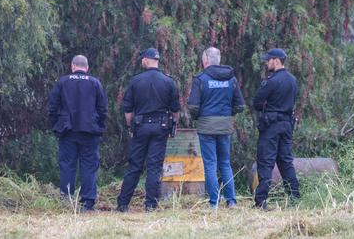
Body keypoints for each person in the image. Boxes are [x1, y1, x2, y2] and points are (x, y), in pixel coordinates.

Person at [116, 48, 180, 212]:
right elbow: (175, 109)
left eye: (142, 59)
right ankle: (150, 205)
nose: (141, 61)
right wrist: (173, 126)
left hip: (141, 127)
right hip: (161, 128)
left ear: (147, 59)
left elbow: (128, 109)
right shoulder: (168, 81)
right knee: (154, 167)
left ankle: (123, 204)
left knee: (135, 166)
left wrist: (130, 127)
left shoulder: (136, 81)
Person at [48, 55, 108, 212]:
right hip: (90, 131)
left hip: (67, 130)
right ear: (87, 67)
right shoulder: (95, 83)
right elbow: (103, 109)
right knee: (89, 166)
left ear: (72, 66)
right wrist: (99, 126)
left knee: (67, 165)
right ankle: (87, 203)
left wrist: (56, 125)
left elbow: (52, 107)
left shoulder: (63, 82)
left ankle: (66, 201)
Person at [187, 47, 246, 208]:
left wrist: (197, 118)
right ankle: (231, 201)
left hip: (206, 127)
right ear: (218, 60)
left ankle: (214, 203)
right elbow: (240, 105)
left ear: (205, 60)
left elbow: (193, 106)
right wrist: (227, 114)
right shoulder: (231, 79)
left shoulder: (200, 79)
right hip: (225, 126)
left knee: (210, 164)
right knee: (225, 163)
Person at [252, 48, 300, 210]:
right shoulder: (293, 80)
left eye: (268, 60)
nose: (266, 63)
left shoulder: (271, 81)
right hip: (287, 125)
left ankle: (261, 201)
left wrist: (267, 106)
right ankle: (294, 198)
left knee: (266, 162)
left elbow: (257, 103)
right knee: (286, 161)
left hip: (271, 126)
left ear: (277, 61)